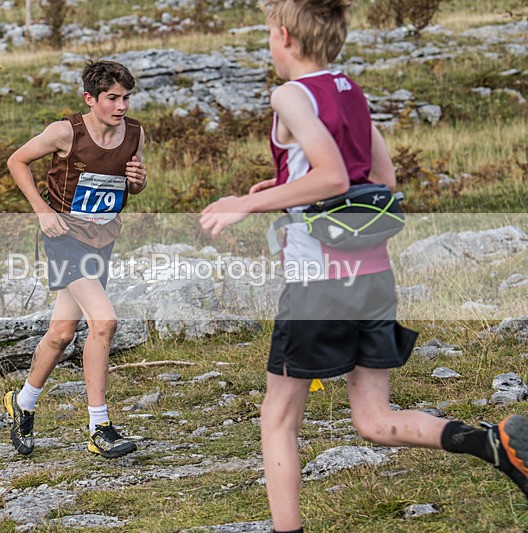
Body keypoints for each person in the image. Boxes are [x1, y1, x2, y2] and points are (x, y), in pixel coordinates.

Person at [199, 1, 528, 531]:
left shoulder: (289, 94)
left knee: (278, 418)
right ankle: (494, 444)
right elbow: (383, 181)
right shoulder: (349, 90)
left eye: (267, 31)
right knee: (374, 420)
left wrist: (246, 202)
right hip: (372, 276)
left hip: (319, 283)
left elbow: (330, 178)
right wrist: (281, 191)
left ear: (283, 35)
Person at [4, 59, 147, 459]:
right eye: (112, 98)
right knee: (105, 321)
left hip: (102, 238)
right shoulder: (65, 132)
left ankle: (23, 402)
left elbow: (128, 186)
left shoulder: (134, 132)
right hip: (64, 237)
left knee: (62, 332)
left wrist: (139, 182)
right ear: (91, 98)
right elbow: (16, 160)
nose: (121, 106)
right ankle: (100, 427)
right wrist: (41, 210)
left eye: (126, 98)